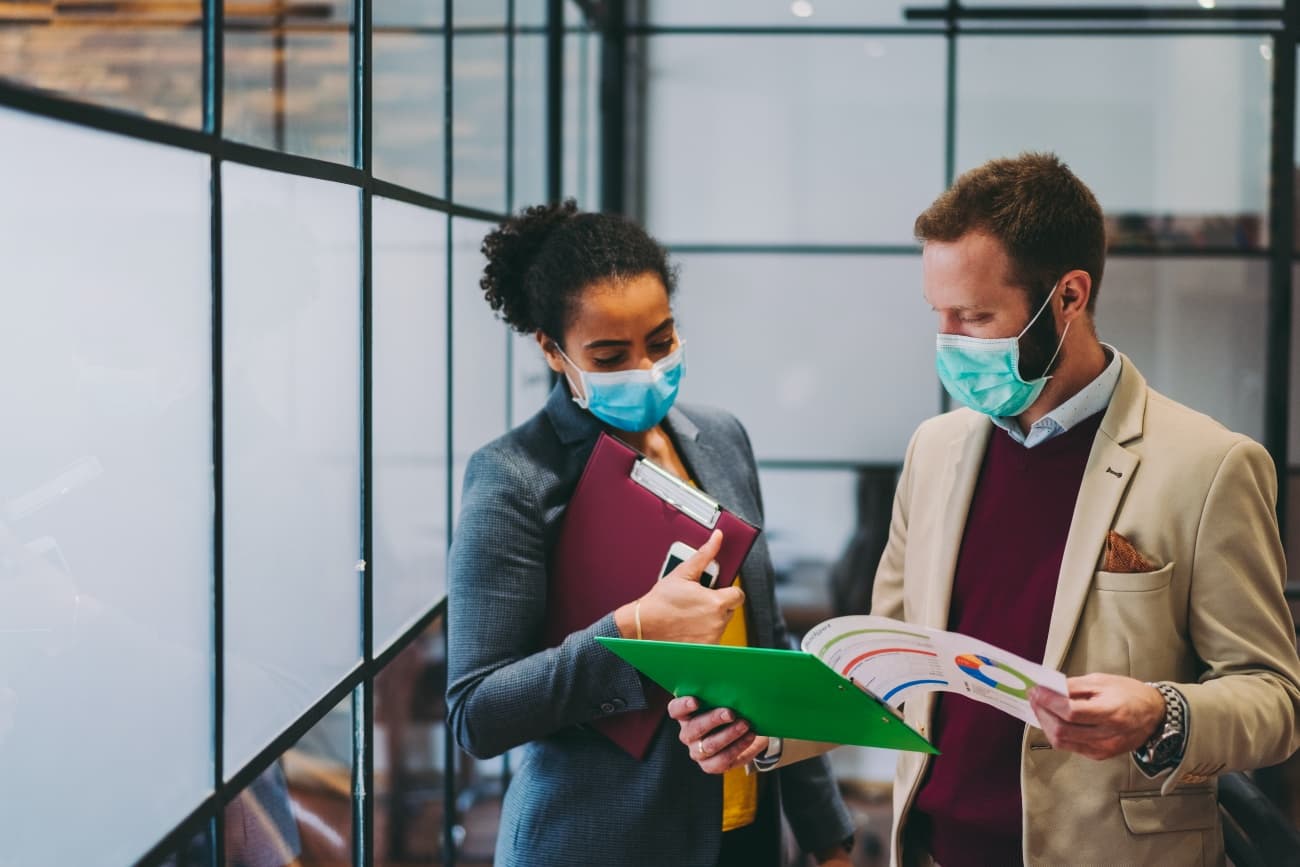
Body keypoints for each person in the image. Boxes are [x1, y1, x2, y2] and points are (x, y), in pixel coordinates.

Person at [671, 153, 1300, 865]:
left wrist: (1161, 711)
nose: (950, 343)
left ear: (1069, 296)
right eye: (939, 315)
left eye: (974, 315)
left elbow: (1273, 697)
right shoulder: (934, 450)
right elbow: (885, 668)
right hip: (937, 850)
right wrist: (765, 729)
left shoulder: (1210, 465)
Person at [445, 200, 855, 867]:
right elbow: (477, 712)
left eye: (661, 341)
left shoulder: (720, 437)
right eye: (610, 355)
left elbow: (767, 644)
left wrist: (827, 836)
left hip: (746, 836)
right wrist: (633, 632)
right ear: (552, 348)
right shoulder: (513, 479)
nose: (645, 367)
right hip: (597, 842)